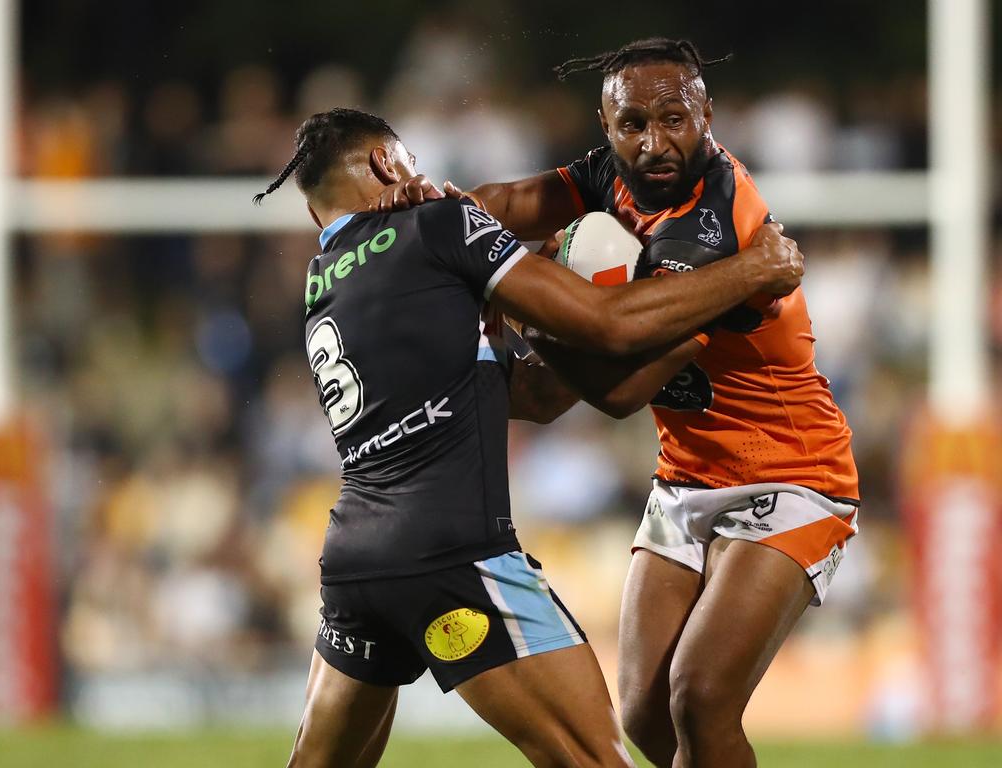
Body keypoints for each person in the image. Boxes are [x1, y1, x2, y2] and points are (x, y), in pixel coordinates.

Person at [252, 107, 802, 768]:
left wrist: (538, 318)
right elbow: (609, 327)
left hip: (354, 564)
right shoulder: (438, 227)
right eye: (414, 163)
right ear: (384, 165)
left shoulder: (324, 283)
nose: (424, 179)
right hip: (456, 553)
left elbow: (534, 397)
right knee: (596, 760)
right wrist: (749, 272)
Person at [377, 37, 859, 768]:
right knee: (644, 714)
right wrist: (431, 216)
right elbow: (507, 204)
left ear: (707, 115)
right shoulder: (613, 177)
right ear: (606, 129)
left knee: (699, 696)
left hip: (792, 476)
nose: (655, 142)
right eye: (633, 124)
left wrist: (527, 299)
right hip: (688, 475)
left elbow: (619, 392)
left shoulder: (714, 231)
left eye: (674, 119)